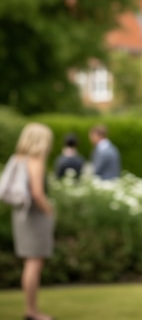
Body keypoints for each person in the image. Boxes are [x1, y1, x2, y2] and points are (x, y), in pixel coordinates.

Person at [10, 122, 56, 320]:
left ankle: (30, 309)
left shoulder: (19, 159)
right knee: (34, 263)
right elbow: (37, 193)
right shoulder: (36, 161)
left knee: (30, 262)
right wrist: (49, 211)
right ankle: (32, 311)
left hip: (21, 215)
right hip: (34, 216)